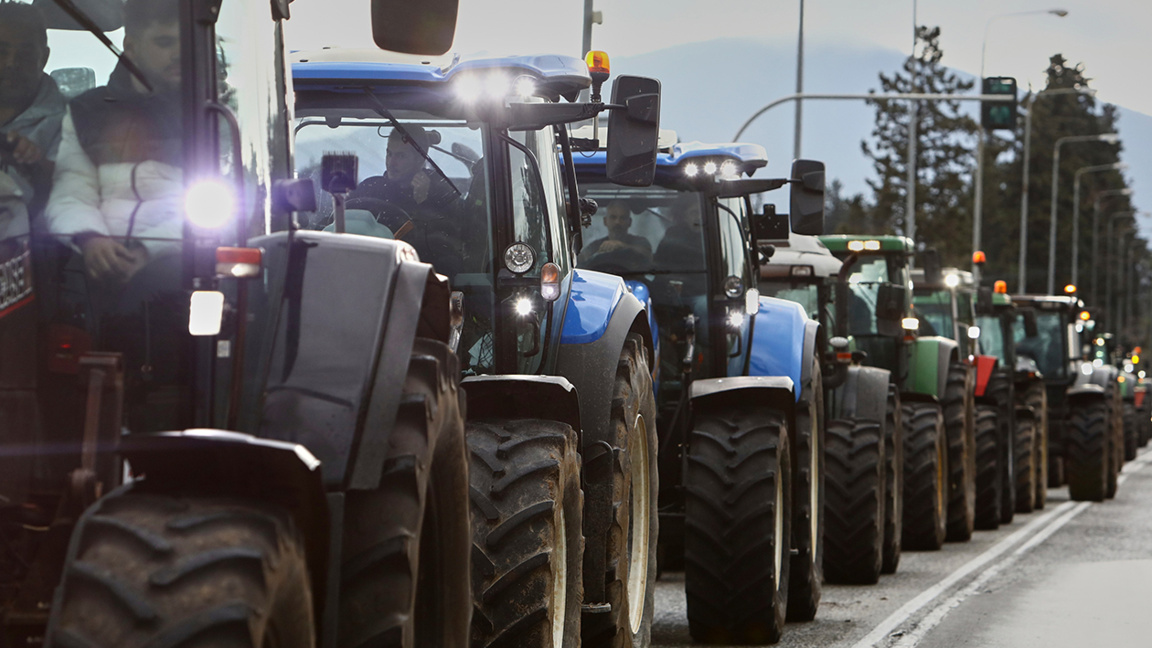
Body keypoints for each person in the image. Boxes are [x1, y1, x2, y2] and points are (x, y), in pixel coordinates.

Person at [43, 0, 183, 284]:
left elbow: (222, 206)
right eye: (164, 42)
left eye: (186, 43)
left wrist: (146, 250)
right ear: (131, 47)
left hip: (183, 268)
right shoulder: (88, 112)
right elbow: (71, 191)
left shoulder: (211, 113)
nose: (179, 54)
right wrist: (91, 239)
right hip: (96, 272)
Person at [0, 1, 66, 220]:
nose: (11, 63)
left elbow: (73, 195)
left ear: (44, 58)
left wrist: (33, 165)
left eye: (25, 54)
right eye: (1, 51)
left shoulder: (70, 124)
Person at [579, 200, 652, 265]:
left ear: (629, 222)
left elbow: (649, 257)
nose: (617, 222)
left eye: (622, 218)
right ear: (605, 221)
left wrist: (623, 246)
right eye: (613, 217)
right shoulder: (595, 246)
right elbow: (579, 263)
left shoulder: (641, 243)